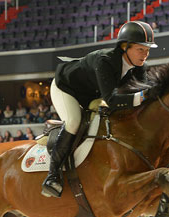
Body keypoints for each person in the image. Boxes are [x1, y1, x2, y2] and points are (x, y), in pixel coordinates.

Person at [42, 21, 158, 198]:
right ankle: (52, 175)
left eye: (148, 50)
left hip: (92, 94)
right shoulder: (105, 60)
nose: (145, 54)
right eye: (141, 49)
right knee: (74, 122)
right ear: (125, 47)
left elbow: (141, 96)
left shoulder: (139, 67)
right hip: (66, 88)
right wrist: (143, 96)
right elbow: (113, 100)